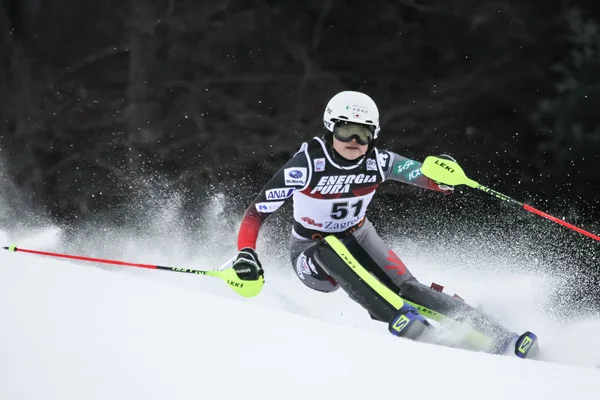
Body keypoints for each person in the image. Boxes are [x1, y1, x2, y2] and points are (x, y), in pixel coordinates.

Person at [232, 90, 538, 358]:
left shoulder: (378, 162)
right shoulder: (307, 164)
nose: (354, 141)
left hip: (359, 235)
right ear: (330, 129)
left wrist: (443, 177)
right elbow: (256, 213)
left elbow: (422, 175)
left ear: (373, 135)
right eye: (346, 131)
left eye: (363, 133)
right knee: (330, 247)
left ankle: (501, 337)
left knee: (410, 288)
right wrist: (246, 252)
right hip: (311, 252)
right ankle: (398, 316)